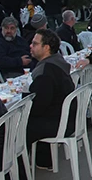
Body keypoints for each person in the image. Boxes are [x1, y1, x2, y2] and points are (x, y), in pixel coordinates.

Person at [27, 29, 76, 170]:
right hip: (66, 117)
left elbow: (39, 105)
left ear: (46, 48)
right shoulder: (58, 62)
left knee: (16, 125)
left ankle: (18, 171)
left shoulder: (45, 72)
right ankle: (43, 159)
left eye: (35, 44)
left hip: (58, 122)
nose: (31, 46)